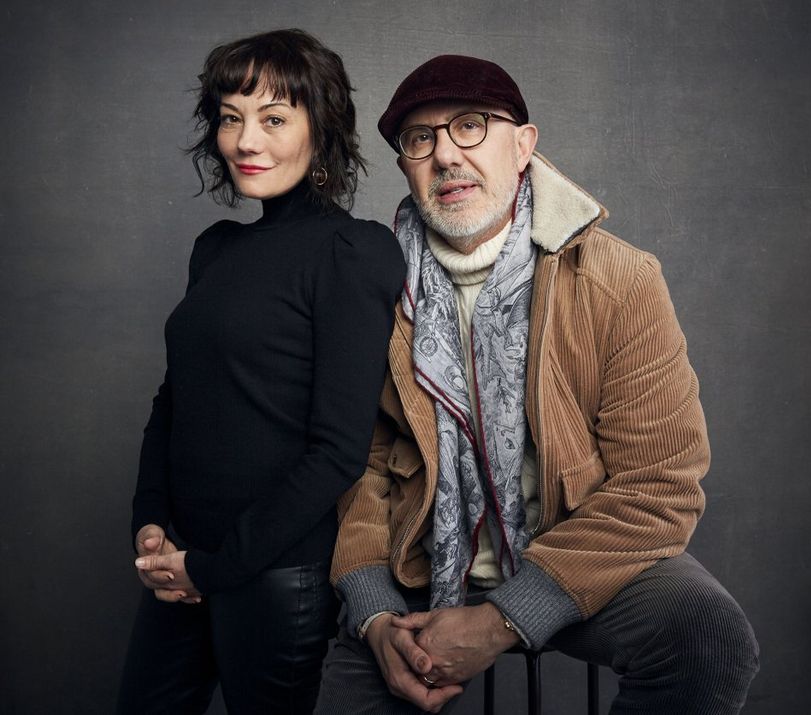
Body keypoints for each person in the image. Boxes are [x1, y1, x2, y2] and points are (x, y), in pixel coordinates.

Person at [314, 55, 759, 714]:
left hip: (583, 561)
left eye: (470, 126)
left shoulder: (620, 279)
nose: (444, 154)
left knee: (706, 637)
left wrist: (501, 620)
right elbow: (361, 468)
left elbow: (657, 483)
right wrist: (375, 612)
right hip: (421, 571)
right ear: (406, 165)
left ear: (523, 144)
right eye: (420, 138)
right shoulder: (372, 287)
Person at [116, 29, 404, 714]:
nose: (247, 141)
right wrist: (151, 520)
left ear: (321, 126)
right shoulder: (214, 249)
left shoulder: (352, 251)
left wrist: (213, 568)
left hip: (278, 576)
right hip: (181, 562)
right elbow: (174, 399)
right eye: (230, 117)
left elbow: (337, 450)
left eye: (274, 118)